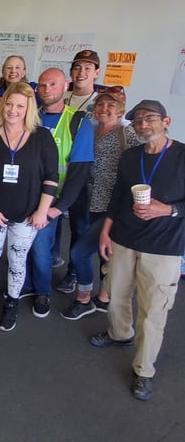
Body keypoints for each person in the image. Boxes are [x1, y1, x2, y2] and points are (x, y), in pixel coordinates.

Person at [90, 99, 185, 401]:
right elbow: (119, 194)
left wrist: (167, 209)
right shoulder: (131, 156)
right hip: (123, 237)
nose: (143, 125)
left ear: (166, 122)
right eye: (138, 121)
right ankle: (120, 334)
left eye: (150, 118)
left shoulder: (182, 156)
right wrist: (106, 230)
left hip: (163, 246)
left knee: (152, 310)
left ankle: (144, 370)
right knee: (116, 294)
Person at [0, 83, 58, 330]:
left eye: (20, 106)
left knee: (17, 260)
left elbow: (51, 177)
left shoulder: (42, 137)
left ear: (28, 108)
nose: (13, 110)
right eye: (9, 104)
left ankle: (12, 302)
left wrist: (42, 211)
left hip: (28, 214)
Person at [60, 86, 140, 320]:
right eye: (101, 104)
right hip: (89, 201)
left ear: (120, 110)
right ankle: (104, 298)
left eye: (111, 105)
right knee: (105, 252)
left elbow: (141, 168)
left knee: (80, 252)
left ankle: (85, 298)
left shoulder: (127, 134)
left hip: (113, 207)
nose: (104, 108)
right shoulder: (91, 130)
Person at [24, 68, 94, 317]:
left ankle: (42, 292)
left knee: (41, 248)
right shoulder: (30, 117)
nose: (46, 90)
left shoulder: (78, 121)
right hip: (27, 196)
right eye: (42, 86)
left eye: (53, 84)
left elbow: (79, 172)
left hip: (54, 199)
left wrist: (58, 208)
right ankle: (27, 285)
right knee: (23, 245)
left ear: (65, 86)